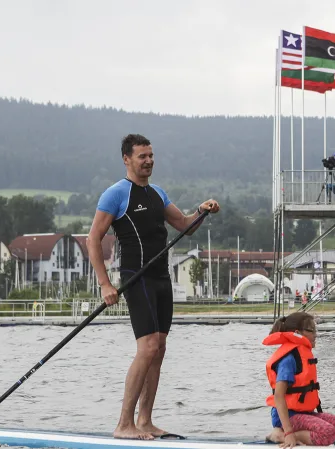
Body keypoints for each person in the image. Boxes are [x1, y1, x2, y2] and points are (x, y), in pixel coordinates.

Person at [87, 133, 220, 440]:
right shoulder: (116, 194)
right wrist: (105, 283)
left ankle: (144, 421)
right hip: (138, 278)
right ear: (126, 159)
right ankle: (124, 424)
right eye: (141, 156)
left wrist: (202, 210)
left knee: (158, 349)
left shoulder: (158, 194)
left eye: (151, 155)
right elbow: (92, 239)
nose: (148, 161)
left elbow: (185, 226)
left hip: (162, 278)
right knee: (146, 348)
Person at [263, 312, 335, 448]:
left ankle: (303, 434)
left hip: (305, 413)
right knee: (328, 433)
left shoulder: (304, 354)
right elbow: (278, 396)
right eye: (311, 330)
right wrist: (289, 433)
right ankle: (279, 434)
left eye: (316, 330)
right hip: (287, 416)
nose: (316, 334)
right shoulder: (288, 359)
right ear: (297, 333)